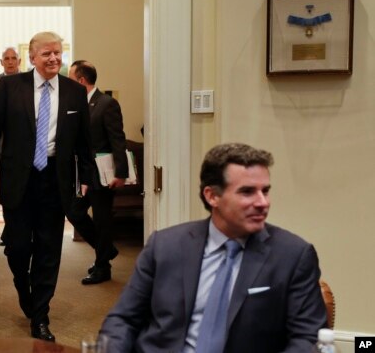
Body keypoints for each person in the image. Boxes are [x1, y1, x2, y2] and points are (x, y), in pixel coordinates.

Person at [100, 143, 327, 353]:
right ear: (212, 196)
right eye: (247, 192)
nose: (262, 202)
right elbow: (122, 320)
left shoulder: (293, 255)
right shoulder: (165, 246)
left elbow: (307, 339)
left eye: (265, 191)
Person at [0, 31, 94, 342]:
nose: (54, 58)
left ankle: (40, 316)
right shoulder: (10, 87)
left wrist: (87, 181)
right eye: (47, 54)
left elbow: (84, 142)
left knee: (49, 248)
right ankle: (22, 285)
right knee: (16, 246)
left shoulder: (73, 92)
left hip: (55, 179)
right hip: (18, 179)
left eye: (58, 53)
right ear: (32, 57)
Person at [66, 60, 128, 285]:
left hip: (102, 172)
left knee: (102, 220)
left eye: (71, 79)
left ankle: (103, 267)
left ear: (81, 81)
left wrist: (120, 173)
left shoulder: (106, 104)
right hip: (83, 172)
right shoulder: (78, 104)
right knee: (74, 212)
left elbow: (117, 139)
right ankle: (107, 250)